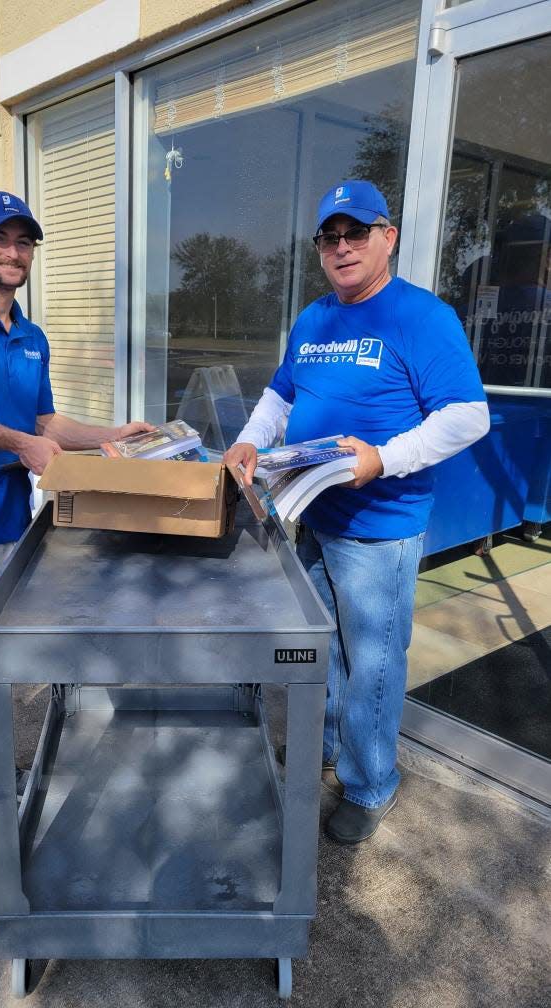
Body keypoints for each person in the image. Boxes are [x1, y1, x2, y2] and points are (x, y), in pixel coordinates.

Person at [224, 180, 490, 845]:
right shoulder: (314, 319)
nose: (342, 248)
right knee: (322, 650)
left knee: (371, 663)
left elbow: (467, 417)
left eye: (357, 233)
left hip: (380, 529)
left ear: (387, 238)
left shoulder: (421, 318)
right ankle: (332, 747)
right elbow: (280, 395)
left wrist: (383, 459)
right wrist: (252, 441)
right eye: (330, 238)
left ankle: (370, 785)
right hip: (314, 515)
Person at [0, 191, 152, 867]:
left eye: (24, 242)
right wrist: (18, 444)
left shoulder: (30, 336)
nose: (13, 253)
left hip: (13, 521)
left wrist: (106, 435)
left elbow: (44, 425)